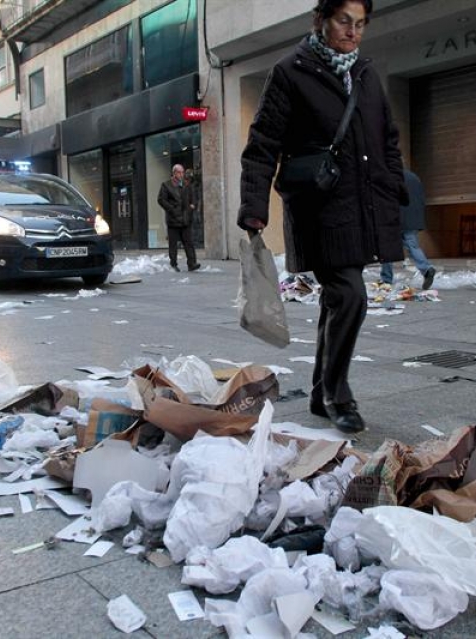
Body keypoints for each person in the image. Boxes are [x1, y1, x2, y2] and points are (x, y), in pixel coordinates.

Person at [238, 0, 406, 433]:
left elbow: (387, 138)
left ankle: (319, 391)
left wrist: (394, 186)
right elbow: (262, 145)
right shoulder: (290, 72)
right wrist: (254, 207)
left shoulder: (366, 75)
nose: (353, 32)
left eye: (361, 24)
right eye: (344, 21)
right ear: (322, 20)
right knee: (351, 295)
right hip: (319, 207)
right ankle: (337, 393)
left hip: (364, 204)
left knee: (339, 298)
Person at [379, 168, 436, 289]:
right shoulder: (414, 177)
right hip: (412, 219)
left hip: (394, 217)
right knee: (413, 246)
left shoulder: (389, 177)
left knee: (386, 248)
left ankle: (386, 279)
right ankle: (426, 269)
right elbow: (421, 199)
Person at [158, 164, 200, 272]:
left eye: (183, 172)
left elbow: (193, 198)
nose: (182, 174)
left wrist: (193, 206)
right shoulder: (166, 185)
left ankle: (192, 263)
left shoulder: (186, 185)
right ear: (174, 173)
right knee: (173, 244)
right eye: (180, 172)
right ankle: (173, 264)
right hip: (173, 220)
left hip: (185, 219)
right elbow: (161, 200)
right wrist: (172, 209)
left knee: (189, 242)